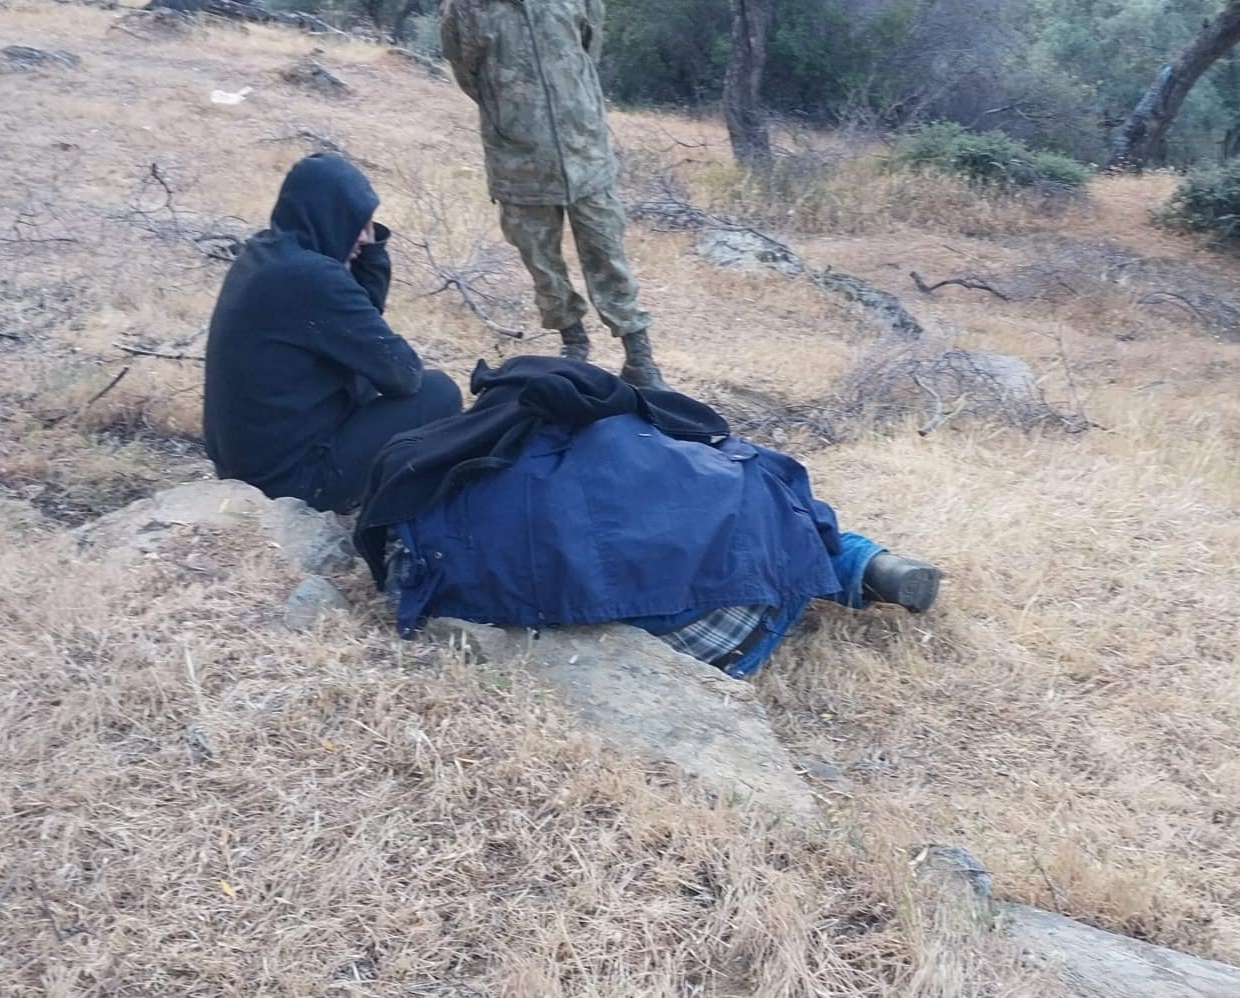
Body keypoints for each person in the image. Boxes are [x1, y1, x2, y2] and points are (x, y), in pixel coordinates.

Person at [354, 356, 940, 679]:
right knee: (783, 522)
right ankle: (864, 564)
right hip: (712, 634)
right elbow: (775, 491)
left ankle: (861, 563)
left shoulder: (432, 461)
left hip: (455, 591)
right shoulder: (649, 446)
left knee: (758, 524)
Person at [203, 154, 462, 514]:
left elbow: (362, 335)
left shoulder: (267, 255)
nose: (364, 237)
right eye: (357, 224)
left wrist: (368, 251)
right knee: (439, 393)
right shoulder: (311, 279)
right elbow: (403, 373)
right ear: (327, 216)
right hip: (290, 485)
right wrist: (371, 254)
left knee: (364, 379)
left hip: (244, 469)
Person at [440, 0, 670, 391]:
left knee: (607, 254)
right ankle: (573, 344)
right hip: (518, 158)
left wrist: (569, 105)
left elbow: (587, 47)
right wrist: (513, 111)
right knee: (542, 264)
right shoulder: (465, 6)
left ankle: (639, 359)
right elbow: (468, 73)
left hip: (585, 150)